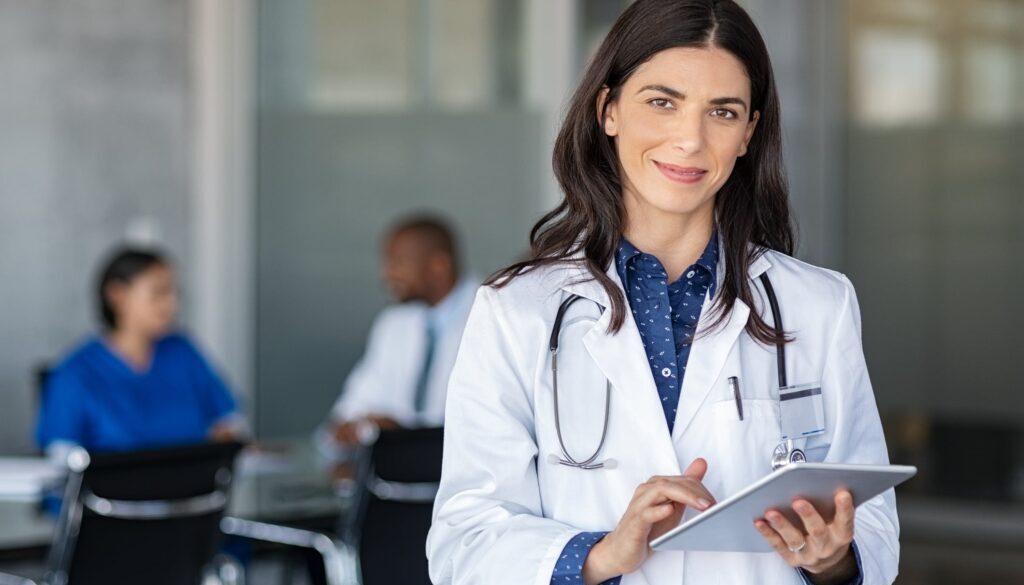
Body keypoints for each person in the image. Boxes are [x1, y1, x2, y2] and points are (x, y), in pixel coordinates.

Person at [426, 2, 898, 584]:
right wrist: (599, 555)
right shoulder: (517, 311)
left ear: (748, 133)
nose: (690, 139)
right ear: (609, 110)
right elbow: (463, 541)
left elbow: (873, 527)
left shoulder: (819, 305)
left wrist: (831, 560)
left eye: (722, 112)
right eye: (662, 101)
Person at [36, 247, 244, 459]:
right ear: (118, 295)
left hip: (194, 489)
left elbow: (228, 421)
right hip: (111, 492)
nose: (172, 304)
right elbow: (61, 457)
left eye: (174, 293)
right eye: (158, 293)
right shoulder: (75, 373)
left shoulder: (183, 353)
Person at [323, 215, 477, 447]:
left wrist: (404, 434)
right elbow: (355, 404)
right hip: (394, 475)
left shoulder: (491, 319)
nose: (386, 275)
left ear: (438, 267)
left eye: (398, 262)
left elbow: (481, 425)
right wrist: (351, 426)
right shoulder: (393, 323)